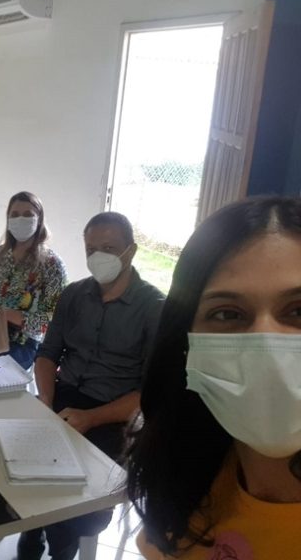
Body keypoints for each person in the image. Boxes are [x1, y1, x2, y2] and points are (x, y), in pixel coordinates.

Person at [126, 196, 301, 559]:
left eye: (298, 310)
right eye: (226, 314)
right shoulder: (191, 473)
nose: (265, 343)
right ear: (185, 344)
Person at [19, 211, 165, 560]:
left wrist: (92, 418)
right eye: (90, 249)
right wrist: (45, 399)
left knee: (76, 498)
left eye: (109, 247)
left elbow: (152, 393)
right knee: (20, 468)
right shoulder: (73, 295)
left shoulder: (154, 307)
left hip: (115, 413)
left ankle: (59, 548)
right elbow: (47, 354)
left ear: (130, 251)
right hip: (62, 397)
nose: (98, 257)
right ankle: (31, 534)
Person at [0, 191, 67, 370]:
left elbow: (50, 322)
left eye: (28, 215)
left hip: (23, 343)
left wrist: (7, 315)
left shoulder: (52, 264)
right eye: (14, 215)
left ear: (39, 220)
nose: (20, 219)